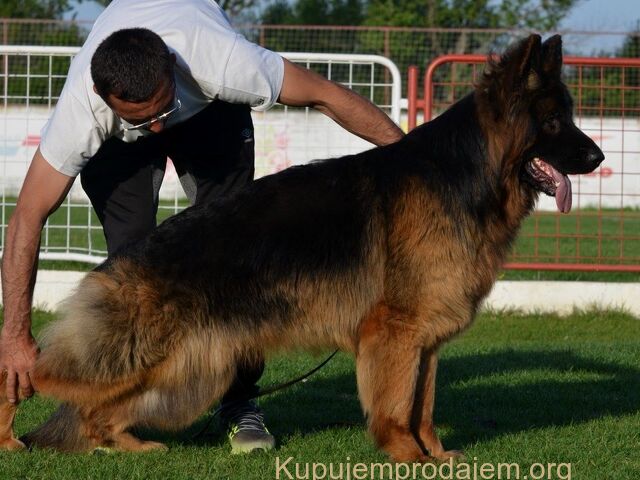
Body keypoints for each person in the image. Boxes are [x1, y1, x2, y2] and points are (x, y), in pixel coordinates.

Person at [0, 0, 404, 454]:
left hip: (211, 115)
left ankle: (239, 404)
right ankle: (110, 412)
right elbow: (26, 218)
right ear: (101, 94)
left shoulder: (224, 60)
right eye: (141, 119)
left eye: (162, 110)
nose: (157, 128)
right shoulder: (81, 110)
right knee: (134, 271)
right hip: (118, 142)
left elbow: (326, 95)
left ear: (173, 67)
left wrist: (413, 163)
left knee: (236, 266)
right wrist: (14, 336)